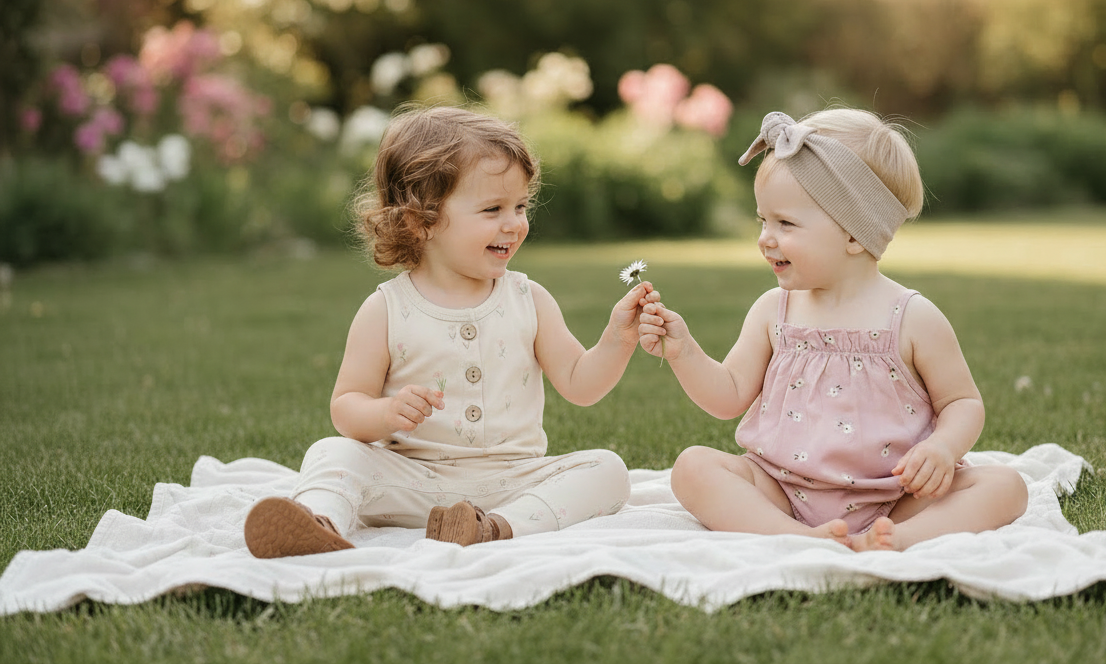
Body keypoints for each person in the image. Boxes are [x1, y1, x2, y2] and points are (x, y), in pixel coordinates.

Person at [245, 106, 657, 557]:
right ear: (420, 221)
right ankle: (319, 522)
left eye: (520, 206)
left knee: (607, 470)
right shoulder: (386, 309)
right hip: (413, 482)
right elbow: (346, 408)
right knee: (332, 453)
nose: (514, 223)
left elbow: (580, 383)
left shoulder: (528, 299)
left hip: (513, 480)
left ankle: (492, 528)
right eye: (492, 209)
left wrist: (618, 340)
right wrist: (386, 413)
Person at [638, 109, 1028, 551]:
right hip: (781, 489)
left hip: (895, 495)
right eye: (763, 220)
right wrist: (683, 351)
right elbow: (727, 396)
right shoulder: (773, 311)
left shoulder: (912, 318)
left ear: (855, 235)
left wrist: (943, 448)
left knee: (1006, 485)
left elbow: (961, 402)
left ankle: (898, 538)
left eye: (785, 223)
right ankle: (799, 536)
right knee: (692, 467)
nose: (765, 238)